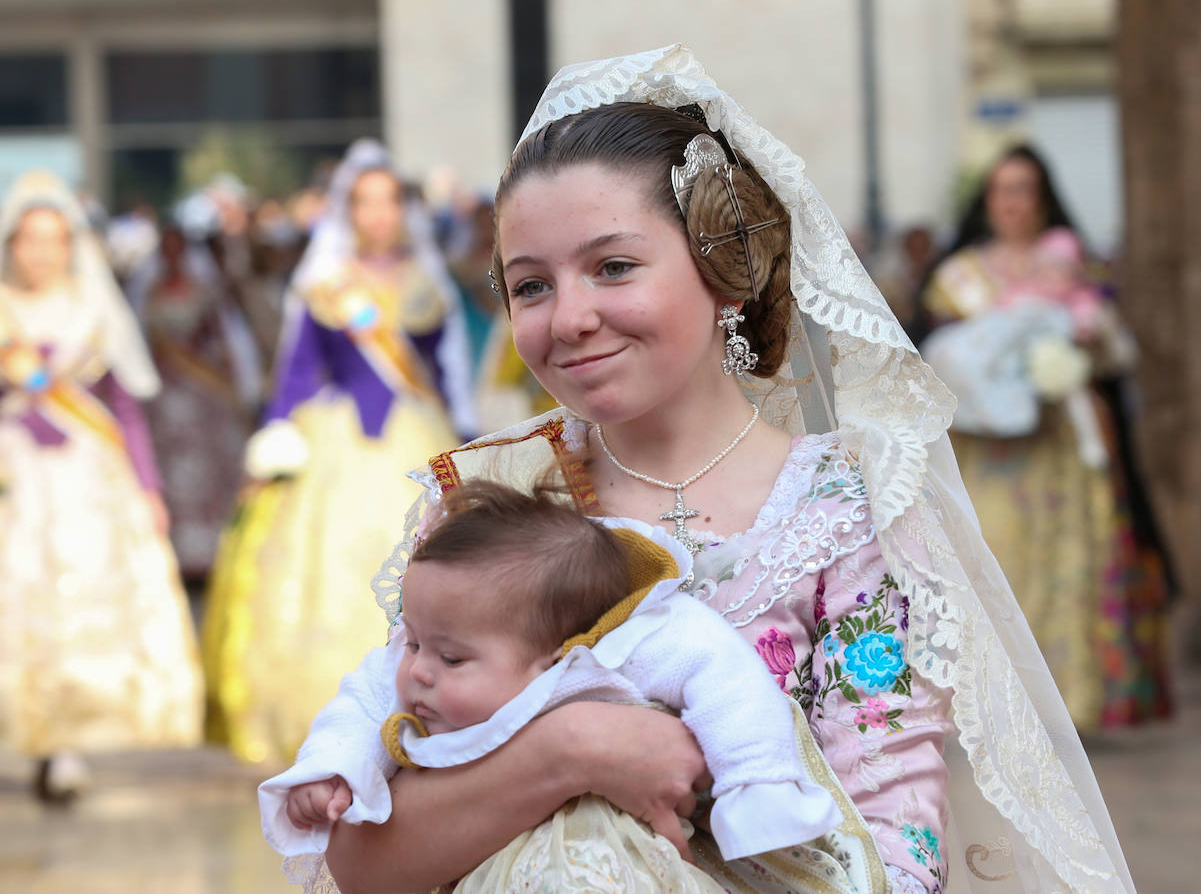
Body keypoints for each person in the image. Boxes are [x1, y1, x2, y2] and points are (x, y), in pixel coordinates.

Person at [298, 47, 1135, 894]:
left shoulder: (846, 512)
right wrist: (570, 752)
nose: (571, 317)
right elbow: (368, 861)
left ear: (723, 270)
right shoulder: (493, 497)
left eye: (613, 266)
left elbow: (893, 861)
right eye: (531, 285)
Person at [262, 478, 870, 893]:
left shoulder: (615, 648)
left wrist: (756, 784)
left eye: (450, 657)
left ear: (555, 655)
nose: (416, 668)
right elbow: (362, 702)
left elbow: (726, 680)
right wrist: (332, 771)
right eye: (415, 643)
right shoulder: (436, 633)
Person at [202, 140, 478, 765]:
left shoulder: (427, 283)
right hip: (335, 443)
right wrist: (273, 442)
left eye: (388, 201)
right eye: (364, 202)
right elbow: (296, 372)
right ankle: (329, 718)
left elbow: (447, 368)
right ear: (346, 210)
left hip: (418, 434)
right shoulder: (325, 283)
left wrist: (466, 441)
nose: (377, 215)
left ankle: (420, 709)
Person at [920, 144, 1172, 730]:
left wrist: (1076, 349)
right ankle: (995, 713)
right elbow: (935, 364)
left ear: (1043, 197)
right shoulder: (959, 278)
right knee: (993, 566)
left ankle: (1067, 707)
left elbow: (1110, 348)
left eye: (1025, 188)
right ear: (988, 201)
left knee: (1066, 571)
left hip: (1058, 453)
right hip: (986, 457)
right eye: (1003, 189)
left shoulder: (1071, 270)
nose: (1013, 202)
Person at [0, 170, 203, 801]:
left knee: (76, 605)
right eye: (29, 240)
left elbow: (125, 406)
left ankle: (64, 744)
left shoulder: (95, 309)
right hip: (14, 475)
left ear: (70, 245)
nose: (41, 252)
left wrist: (148, 490)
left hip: (89, 480)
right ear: (11, 245)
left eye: (54, 239)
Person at [128, 219, 262, 578]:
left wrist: (229, 380)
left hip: (200, 386)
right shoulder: (150, 291)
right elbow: (140, 343)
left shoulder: (204, 290)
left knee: (210, 463)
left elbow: (221, 337)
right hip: (165, 389)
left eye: (177, 246)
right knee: (168, 462)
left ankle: (211, 549)